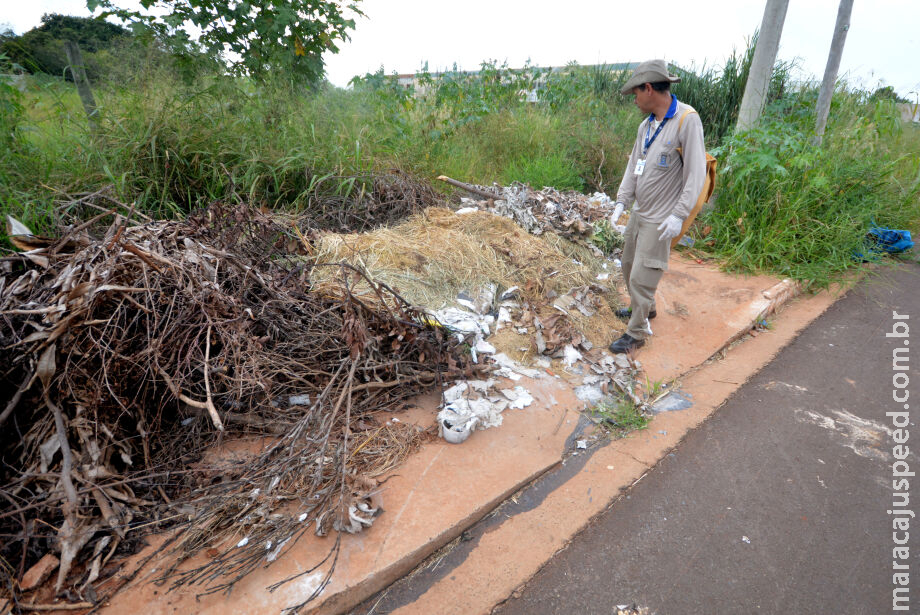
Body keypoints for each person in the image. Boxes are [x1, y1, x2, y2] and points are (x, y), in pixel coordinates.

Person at [607, 59, 707, 355]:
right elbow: (632, 166)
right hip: (640, 211)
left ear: (649, 89)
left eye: (636, 93)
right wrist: (622, 201)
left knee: (643, 274)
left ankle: (637, 332)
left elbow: (696, 173)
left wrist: (679, 214)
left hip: (662, 216)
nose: (635, 99)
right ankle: (645, 308)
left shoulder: (686, 120)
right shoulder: (646, 126)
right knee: (627, 265)